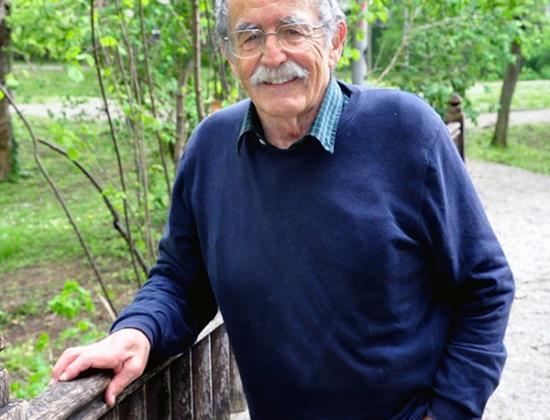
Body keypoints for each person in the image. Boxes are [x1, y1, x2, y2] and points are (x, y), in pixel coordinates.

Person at [52, 0, 515, 418]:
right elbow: (180, 280)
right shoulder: (211, 148)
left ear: (335, 40)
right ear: (229, 53)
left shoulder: (405, 132)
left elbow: (486, 284)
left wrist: (450, 410)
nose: (272, 56)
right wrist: (137, 332)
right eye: (250, 37)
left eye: (293, 31)